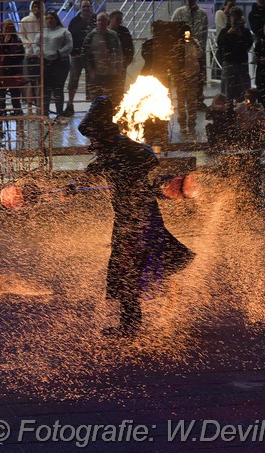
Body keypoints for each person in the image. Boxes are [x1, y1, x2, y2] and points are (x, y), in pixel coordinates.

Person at [77, 96, 195, 337]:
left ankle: (131, 323)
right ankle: (131, 319)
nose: (92, 142)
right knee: (124, 271)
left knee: (129, 270)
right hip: (125, 220)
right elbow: (91, 174)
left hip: (140, 220)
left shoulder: (126, 149)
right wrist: (71, 186)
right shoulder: (108, 152)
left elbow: (149, 164)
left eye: (93, 136)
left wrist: (160, 185)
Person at [34, 11, 72, 122]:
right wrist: (39, 53)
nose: (49, 20)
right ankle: (45, 115)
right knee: (46, 90)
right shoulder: (41, 32)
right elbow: (35, 45)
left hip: (60, 63)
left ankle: (60, 114)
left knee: (58, 90)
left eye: (52, 18)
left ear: (56, 19)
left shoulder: (64, 31)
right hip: (45, 63)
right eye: (47, 18)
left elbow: (69, 46)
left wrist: (58, 53)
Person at [171, 0, 209, 110]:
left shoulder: (202, 14)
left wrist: (201, 50)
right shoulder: (179, 12)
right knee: (183, 79)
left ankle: (198, 101)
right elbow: (173, 31)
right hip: (182, 53)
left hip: (197, 51)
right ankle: (183, 101)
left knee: (199, 78)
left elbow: (204, 34)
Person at [82, 12, 122, 105]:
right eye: (99, 20)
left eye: (103, 20)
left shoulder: (113, 35)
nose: (101, 22)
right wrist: (90, 70)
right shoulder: (91, 36)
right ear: (96, 22)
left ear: (107, 21)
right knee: (97, 97)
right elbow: (84, 54)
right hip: (98, 71)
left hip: (112, 71)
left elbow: (119, 52)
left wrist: (119, 67)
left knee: (112, 96)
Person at [65, 0, 96, 116]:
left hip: (92, 57)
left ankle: (94, 106)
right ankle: (70, 105)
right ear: (80, 7)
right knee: (73, 81)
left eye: (87, 6)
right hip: (76, 56)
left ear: (90, 7)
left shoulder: (96, 19)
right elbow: (69, 37)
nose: (86, 8)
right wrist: (72, 52)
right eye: (84, 6)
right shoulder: (74, 21)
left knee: (93, 82)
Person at [217, 7, 253, 102]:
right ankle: (227, 111)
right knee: (227, 90)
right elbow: (220, 44)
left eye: (237, 18)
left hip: (241, 63)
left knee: (243, 89)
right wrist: (228, 34)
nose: (235, 20)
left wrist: (240, 35)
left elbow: (249, 44)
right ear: (230, 18)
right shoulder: (225, 31)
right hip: (229, 63)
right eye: (234, 18)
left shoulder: (245, 31)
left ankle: (241, 110)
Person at [174, 26, 203, 135]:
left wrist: (194, 44)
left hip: (192, 75)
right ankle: (182, 125)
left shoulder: (194, 42)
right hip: (181, 77)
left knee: (192, 103)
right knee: (181, 103)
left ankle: (191, 125)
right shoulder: (177, 44)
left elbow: (200, 55)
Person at [0, 19, 25, 117]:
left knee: (14, 93)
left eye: (10, 26)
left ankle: (17, 111)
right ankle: (1, 111)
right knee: (0, 93)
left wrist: (8, 55)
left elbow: (20, 55)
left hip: (13, 70)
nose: (8, 29)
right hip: (2, 71)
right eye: (6, 27)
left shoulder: (17, 40)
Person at [20, 0, 44, 114]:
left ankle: (39, 107)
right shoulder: (24, 20)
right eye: (34, 6)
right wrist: (30, 45)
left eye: (38, 6)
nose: (37, 8)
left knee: (40, 83)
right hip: (30, 54)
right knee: (31, 83)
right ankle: (29, 108)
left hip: (43, 54)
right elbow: (22, 36)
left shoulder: (45, 19)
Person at [235, 88, 265, 155]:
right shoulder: (241, 106)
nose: (248, 99)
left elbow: (263, 120)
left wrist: (257, 111)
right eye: (247, 97)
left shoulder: (259, 107)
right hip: (242, 131)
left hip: (254, 130)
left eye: (251, 98)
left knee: (264, 129)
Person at [108, 10, 134, 104]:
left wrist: (126, 62)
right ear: (111, 19)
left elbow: (130, 47)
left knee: (119, 87)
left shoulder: (124, 31)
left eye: (120, 19)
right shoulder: (106, 31)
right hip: (107, 66)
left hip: (121, 65)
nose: (119, 21)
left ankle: (118, 105)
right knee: (108, 87)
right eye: (117, 19)